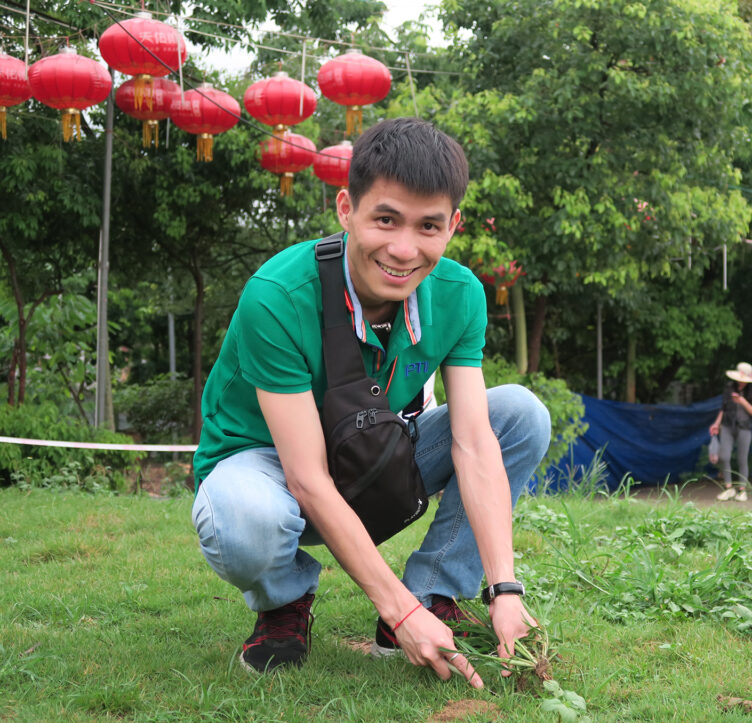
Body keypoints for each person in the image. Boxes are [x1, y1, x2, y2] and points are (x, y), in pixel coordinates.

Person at [190, 118, 552, 686]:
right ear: (346, 209)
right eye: (386, 219)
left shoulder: (459, 296)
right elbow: (306, 478)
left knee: (519, 415)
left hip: (375, 449)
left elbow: (476, 445)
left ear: (453, 226)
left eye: (428, 226)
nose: (404, 250)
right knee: (246, 520)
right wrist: (395, 611)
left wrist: (504, 587)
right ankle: (284, 602)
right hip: (270, 470)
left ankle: (432, 592)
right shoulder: (278, 297)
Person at [709, 362, 752, 502]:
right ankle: (728, 488)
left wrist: (742, 401)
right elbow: (723, 408)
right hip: (727, 425)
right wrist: (716, 423)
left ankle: (742, 490)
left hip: (744, 427)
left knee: (742, 458)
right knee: (724, 456)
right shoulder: (729, 388)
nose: (742, 382)